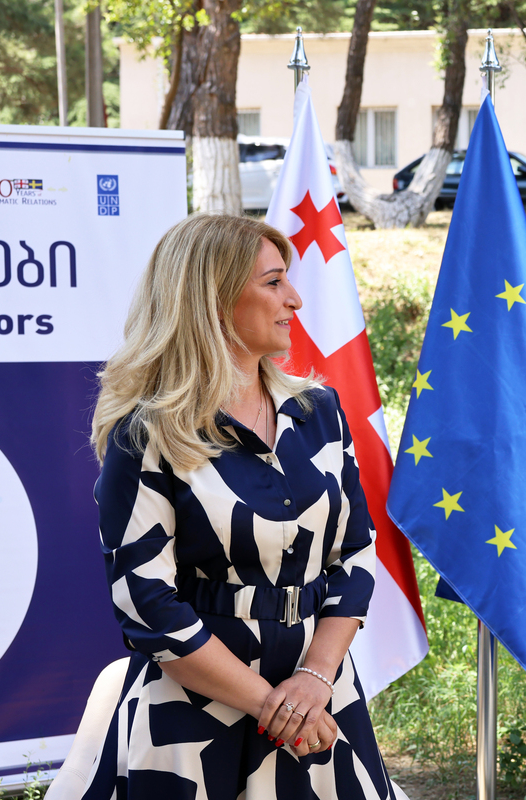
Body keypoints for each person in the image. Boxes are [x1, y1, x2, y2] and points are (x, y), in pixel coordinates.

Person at [73, 214, 402, 799]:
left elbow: (355, 553)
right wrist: (276, 707)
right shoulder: (146, 434)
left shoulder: (320, 411)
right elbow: (147, 603)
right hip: (193, 718)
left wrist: (314, 678)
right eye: (274, 282)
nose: (295, 299)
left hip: (319, 699)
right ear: (214, 300)